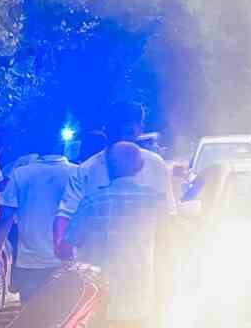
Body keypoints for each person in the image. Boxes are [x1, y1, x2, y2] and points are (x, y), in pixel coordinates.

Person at [59, 141, 167, 328]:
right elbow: (173, 243)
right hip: (139, 295)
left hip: (97, 297)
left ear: (106, 167)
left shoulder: (93, 202)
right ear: (141, 166)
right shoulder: (155, 202)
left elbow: (67, 243)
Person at [54, 101, 175, 256]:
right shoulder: (86, 171)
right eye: (118, 132)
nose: (123, 139)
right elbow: (65, 216)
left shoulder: (156, 165)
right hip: (107, 273)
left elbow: (168, 224)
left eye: (128, 132)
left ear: (139, 129)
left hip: (117, 272)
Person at [0, 144, 74, 301]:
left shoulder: (21, 174)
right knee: (64, 317)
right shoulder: (77, 173)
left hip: (31, 261)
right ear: (64, 147)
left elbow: (6, 215)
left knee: (30, 315)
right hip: (68, 259)